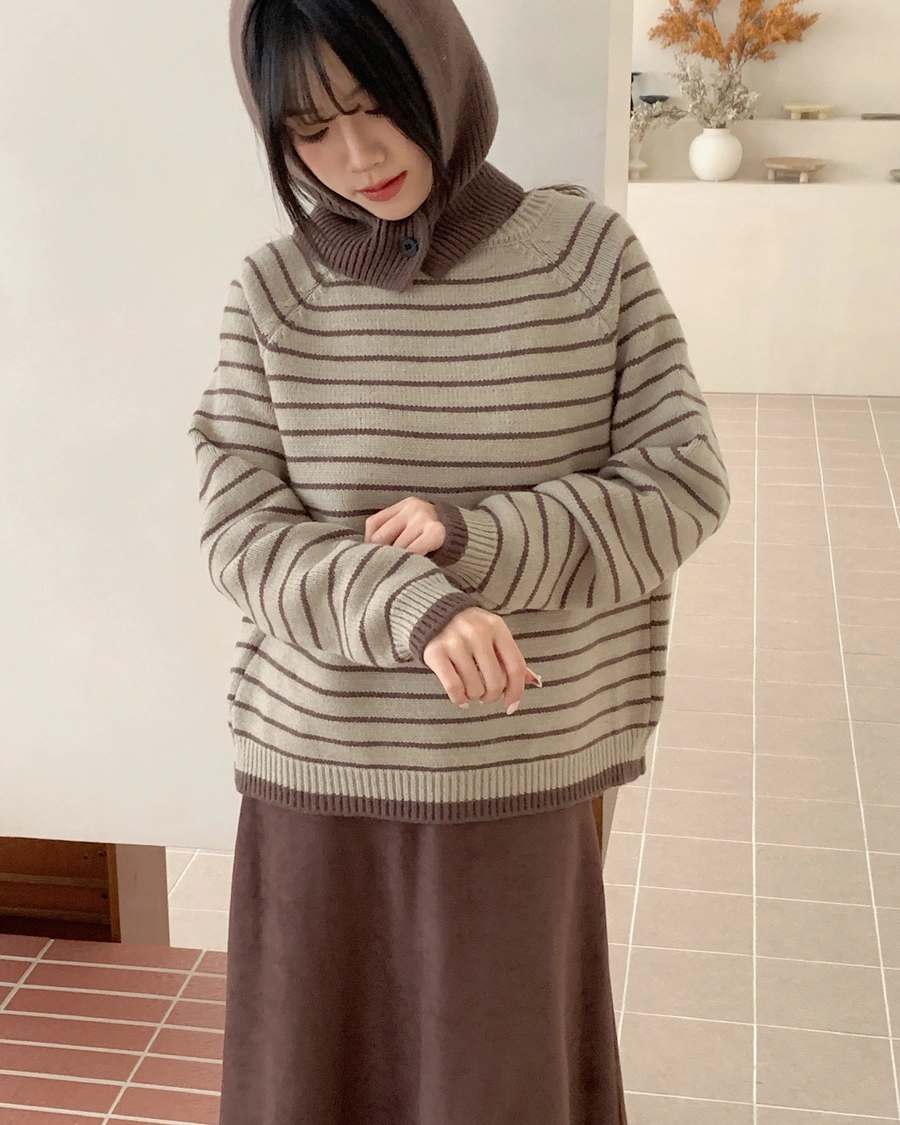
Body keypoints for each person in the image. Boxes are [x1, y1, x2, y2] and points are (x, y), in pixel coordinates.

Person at [188, 0, 731, 1121]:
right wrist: (414, 605)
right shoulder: (272, 294)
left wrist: (479, 539)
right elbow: (240, 531)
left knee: (502, 1087)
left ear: (438, 69)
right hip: (318, 771)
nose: (357, 156)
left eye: (376, 105)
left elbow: (682, 482)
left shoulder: (585, 260)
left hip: (515, 764)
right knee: (310, 1091)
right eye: (310, 131)